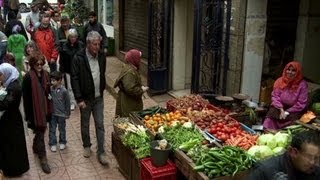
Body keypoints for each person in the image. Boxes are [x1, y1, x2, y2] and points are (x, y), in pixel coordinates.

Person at [71, 31, 108, 165]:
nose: (97, 47)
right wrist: (79, 99)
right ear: (87, 44)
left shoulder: (102, 56)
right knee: (85, 124)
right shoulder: (78, 58)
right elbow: (74, 79)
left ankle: (101, 151)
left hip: (98, 97)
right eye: (94, 44)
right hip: (85, 99)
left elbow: (102, 73)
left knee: (100, 124)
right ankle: (87, 145)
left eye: (99, 44)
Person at [22, 51, 52, 174]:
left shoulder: (46, 75)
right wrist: (29, 116)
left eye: (41, 64)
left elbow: (48, 92)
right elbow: (26, 99)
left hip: (44, 108)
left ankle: (35, 146)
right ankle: (43, 159)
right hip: (34, 112)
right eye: (37, 64)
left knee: (41, 131)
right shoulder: (28, 78)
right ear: (32, 64)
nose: (39, 66)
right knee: (40, 133)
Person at [247, 130, 320, 179]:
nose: (313, 162)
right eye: (309, 157)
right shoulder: (266, 170)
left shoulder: (315, 169)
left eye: (316, 158)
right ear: (293, 152)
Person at [0, 63, 29, 177]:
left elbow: (6, 104)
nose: (0, 77)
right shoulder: (11, 83)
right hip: (10, 120)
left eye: (1, 75)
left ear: (7, 73)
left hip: (12, 122)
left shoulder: (14, 87)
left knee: (13, 146)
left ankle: (14, 170)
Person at [263, 61, 308, 130]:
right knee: (272, 112)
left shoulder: (302, 84)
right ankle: (268, 130)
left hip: (294, 109)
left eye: (293, 70)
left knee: (294, 119)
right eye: (288, 69)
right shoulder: (280, 81)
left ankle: (284, 133)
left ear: (298, 72)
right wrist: (281, 109)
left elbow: (301, 103)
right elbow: (275, 96)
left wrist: (287, 111)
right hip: (280, 107)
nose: (290, 72)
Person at [114, 49, 148, 117]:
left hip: (129, 100)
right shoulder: (130, 72)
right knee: (130, 119)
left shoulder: (130, 68)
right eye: (139, 58)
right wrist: (142, 90)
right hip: (129, 102)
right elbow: (130, 89)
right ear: (134, 59)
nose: (140, 60)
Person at [59, 28, 84, 110]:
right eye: (71, 37)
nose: (73, 39)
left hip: (79, 69)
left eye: (74, 37)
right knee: (69, 87)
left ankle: (80, 99)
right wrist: (62, 70)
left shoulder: (81, 45)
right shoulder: (64, 46)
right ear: (68, 37)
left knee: (80, 85)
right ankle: (72, 102)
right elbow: (61, 60)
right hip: (68, 70)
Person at [49, 71, 70, 152]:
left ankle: (62, 141)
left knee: (62, 129)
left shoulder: (64, 91)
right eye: (51, 80)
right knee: (52, 129)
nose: (52, 82)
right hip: (53, 114)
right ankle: (53, 143)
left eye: (54, 80)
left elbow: (67, 103)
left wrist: (67, 113)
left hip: (61, 114)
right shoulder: (50, 90)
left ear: (59, 80)